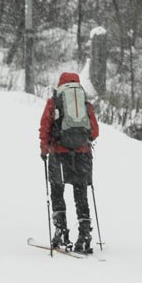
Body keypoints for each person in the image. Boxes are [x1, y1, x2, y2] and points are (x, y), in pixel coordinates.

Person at [39, 72, 99, 253]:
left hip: (58, 154)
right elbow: (94, 131)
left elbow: (45, 127)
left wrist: (44, 150)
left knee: (57, 190)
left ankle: (61, 231)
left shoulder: (55, 102)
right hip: (82, 155)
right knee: (81, 193)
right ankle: (84, 234)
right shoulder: (84, 104)